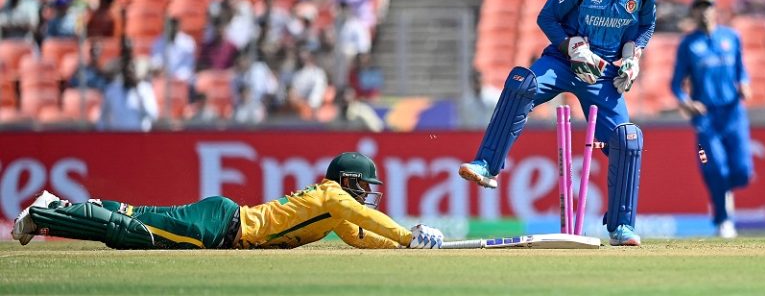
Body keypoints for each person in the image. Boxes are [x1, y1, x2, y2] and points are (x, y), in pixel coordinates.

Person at [457, 0, 656, 247]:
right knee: (522, 83)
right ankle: (486, 165)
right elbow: (547, 17)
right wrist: (572, 47)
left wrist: (633, 56)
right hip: (563, 63)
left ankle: (621, 226)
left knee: (627, 139)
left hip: (603, 74)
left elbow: (646, 25)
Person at [11, 152, 444, 250]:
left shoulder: (333, 210)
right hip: (222, 226)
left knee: (135, 217)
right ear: (346, 181)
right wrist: (409, 235)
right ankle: (46, 216)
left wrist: (404, 247)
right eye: (363, 185)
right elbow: (362, 215)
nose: (367, 193)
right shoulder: (333, 195)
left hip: (223, 220)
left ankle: (56, 206)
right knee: (132, 231)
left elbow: (359, 235)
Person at [670, 0, 753, 238]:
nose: (704, 11)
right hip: (706, 117)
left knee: (743, 172)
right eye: (699, 7)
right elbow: (676, 84)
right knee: (715, 167)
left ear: (715, 9)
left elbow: (741, 70)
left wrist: (744, 84)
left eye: (707, 6)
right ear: (693, 12)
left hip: (733, 113)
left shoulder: (731, 37)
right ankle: (723, 219)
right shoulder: (688, 44)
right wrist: (687, 103)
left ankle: (721, 192)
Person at [98, 59, 158, 132]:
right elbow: (103, 118)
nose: (129, 74)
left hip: (140, 135)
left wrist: (139, 94)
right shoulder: (112, 90)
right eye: (127, 71)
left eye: (131, 71)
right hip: (118, 135)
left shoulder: (145, 89)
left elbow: (152, 115)